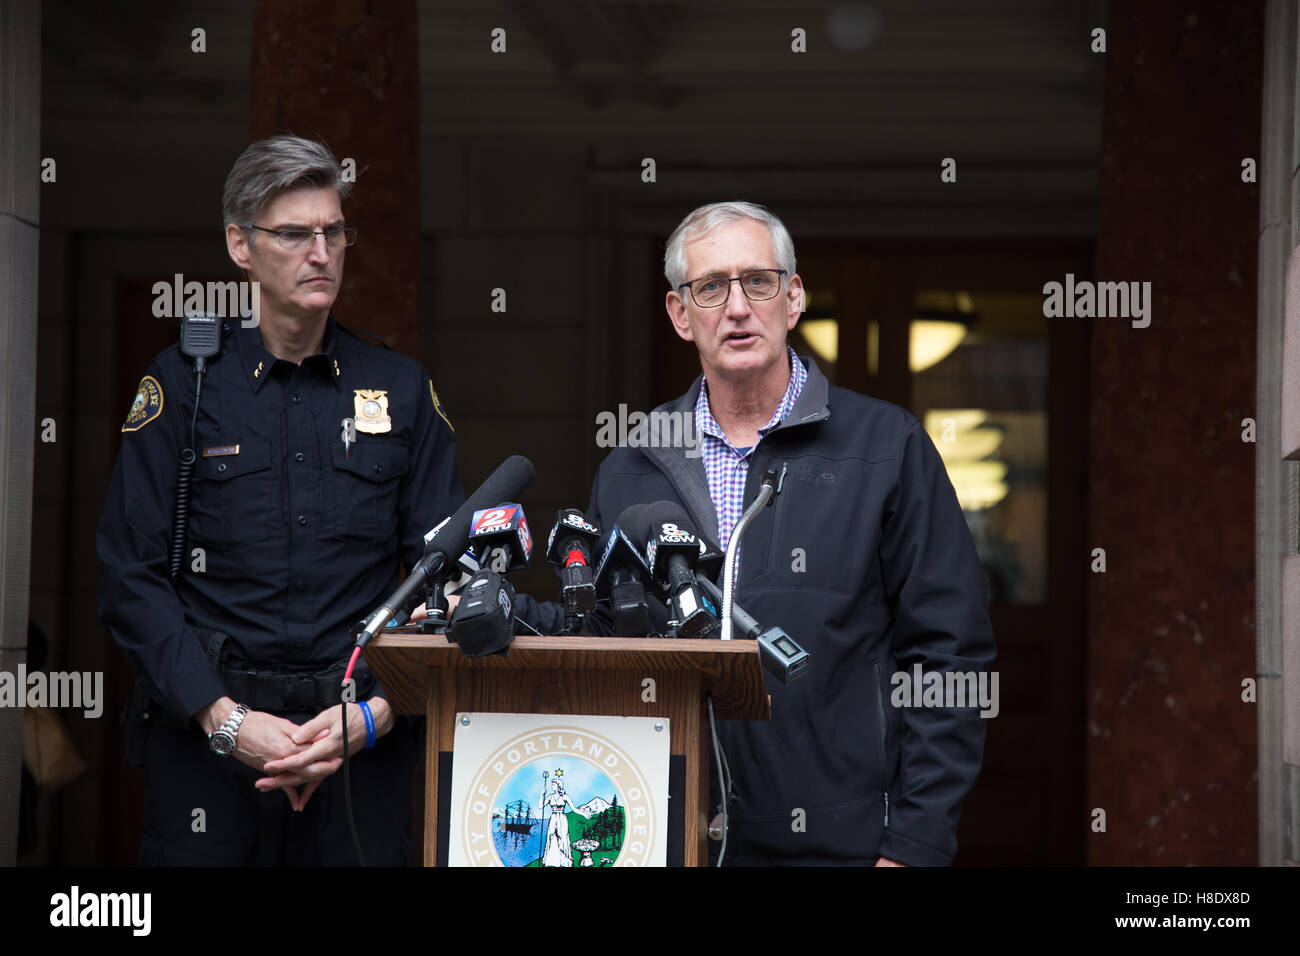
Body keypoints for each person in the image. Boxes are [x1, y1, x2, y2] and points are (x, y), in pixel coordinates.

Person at [579, 201, 997, 866]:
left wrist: (914, 844)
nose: (737, 307)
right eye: (711, 287)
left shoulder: (888, 449)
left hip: (842, 845)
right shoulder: (633, 464)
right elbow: (602, 646)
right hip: (664, 837)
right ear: (680, 315)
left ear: (794, 298)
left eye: (759, 282)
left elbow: (950, 661)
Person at [97, 134, 463, 865]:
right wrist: (227, 720)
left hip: (360, 750)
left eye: (334, 232)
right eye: (295, 234)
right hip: (211, 752)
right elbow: (128, 576)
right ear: (241, 245)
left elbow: (448, 578)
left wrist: (378, 713)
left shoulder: (399, 388)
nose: (320, 252)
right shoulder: (180, 387)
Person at [537, 771, 588, 867]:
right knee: (552, 837)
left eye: (553, 785)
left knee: (563, 838)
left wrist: (584, 814)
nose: (552, 787)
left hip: (562, 819)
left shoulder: (565, 797)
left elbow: (574, 809)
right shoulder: (550, 797)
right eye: (551, 785)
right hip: (553, 818)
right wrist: (542, 794)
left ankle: (564, 861)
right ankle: (552, 861)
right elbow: (540, 806)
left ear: (558, 786)